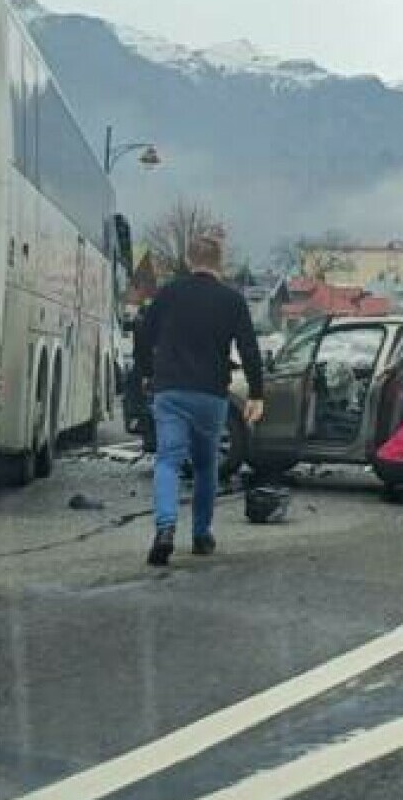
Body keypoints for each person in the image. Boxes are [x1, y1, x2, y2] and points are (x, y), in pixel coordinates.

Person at [134, 235, 265, 566]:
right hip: (211, 395)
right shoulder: (232, 301)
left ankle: (165, 528)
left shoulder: (169, 293)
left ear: (190, 260)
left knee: (168, 460)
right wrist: (257, 392)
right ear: (219, 263)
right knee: (206, 466)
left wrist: (147, 372)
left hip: (171, 390)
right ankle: (202, 534)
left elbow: (143, 332)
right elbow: (249, 348)